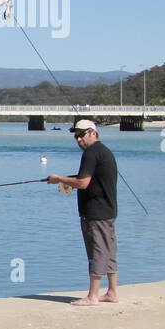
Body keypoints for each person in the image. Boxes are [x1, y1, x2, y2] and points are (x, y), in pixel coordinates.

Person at [48, 119, 118, 305]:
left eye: (81, 135)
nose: (78, 139)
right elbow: (89, 179)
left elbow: (83, 183)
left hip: (95, 212)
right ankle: (112, 292)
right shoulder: (104, 152)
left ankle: (92, 296)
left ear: (93, 133)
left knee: (97, 252)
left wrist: (58, 179)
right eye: (76, 136)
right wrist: (69, 180)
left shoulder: (91, 153)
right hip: (108, 210)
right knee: (109, 251)